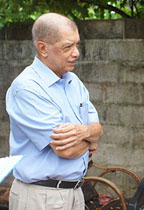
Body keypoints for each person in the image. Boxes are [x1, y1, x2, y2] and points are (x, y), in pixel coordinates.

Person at [6, 13, 103, 210]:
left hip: (75, 193)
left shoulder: (73, 82)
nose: (76, 53)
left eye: (77, 45)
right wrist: (90, 138)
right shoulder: (27, 88)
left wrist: (83, 133)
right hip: (41, 197)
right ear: (42, 48)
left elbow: (97, 128)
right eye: (68, 47)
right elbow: (67, 150)